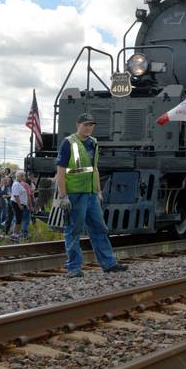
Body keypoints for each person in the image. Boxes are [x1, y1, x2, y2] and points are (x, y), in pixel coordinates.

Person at [55, 113, 127, 278]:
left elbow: (94, 168)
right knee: (73, 230)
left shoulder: (93, 142)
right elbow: (60, 170)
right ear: (78, 125)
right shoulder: (68, 143)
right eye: (85, 124)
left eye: (91, 125)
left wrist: (99, 191)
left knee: (99, 229)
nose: (88, 127)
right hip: (74, 194)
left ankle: (109, 264)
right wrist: (63, 195)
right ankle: (74, 268)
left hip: (91, 194)